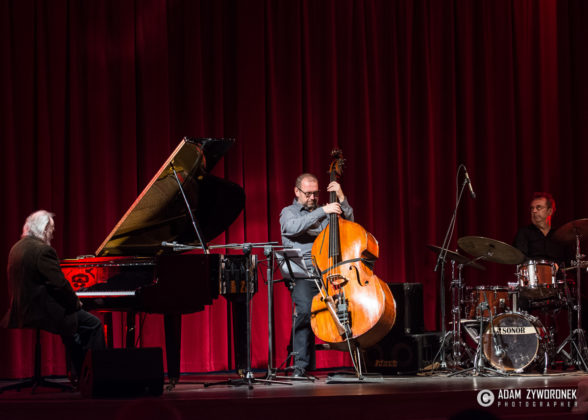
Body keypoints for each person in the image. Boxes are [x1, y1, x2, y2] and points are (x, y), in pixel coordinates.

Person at [1, 210, 105, 381]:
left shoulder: (17, 247)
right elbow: (59, 285)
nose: (53, 233)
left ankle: (80, 374)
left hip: (21, 308)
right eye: (51, 230)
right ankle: (97, 377)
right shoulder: (43, 251)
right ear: (44, 229)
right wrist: (76, 302)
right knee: (93, 324)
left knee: (73, 325)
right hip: (40, 311)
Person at [280, 173, 354, 377]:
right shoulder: (289, 212)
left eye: (316, 193)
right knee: (305, 310)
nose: (313, 197)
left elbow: (349, 224)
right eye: (308, 194)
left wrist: (341, 197)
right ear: (296, 191)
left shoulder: (327, 212)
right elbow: (292, 228)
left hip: (329, 272)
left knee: (349, 307)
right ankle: (300, 365)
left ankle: (359, 359)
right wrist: (323, 211)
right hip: (303, 273)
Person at [513, 192, 566, 265]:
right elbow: (520, 259)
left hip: (557, 272)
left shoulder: (560, 235)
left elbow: (569, 263)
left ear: (550, 211)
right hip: (533, 271)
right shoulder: (524, 233)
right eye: (532, 208)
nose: (534, 211)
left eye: (538, 207)